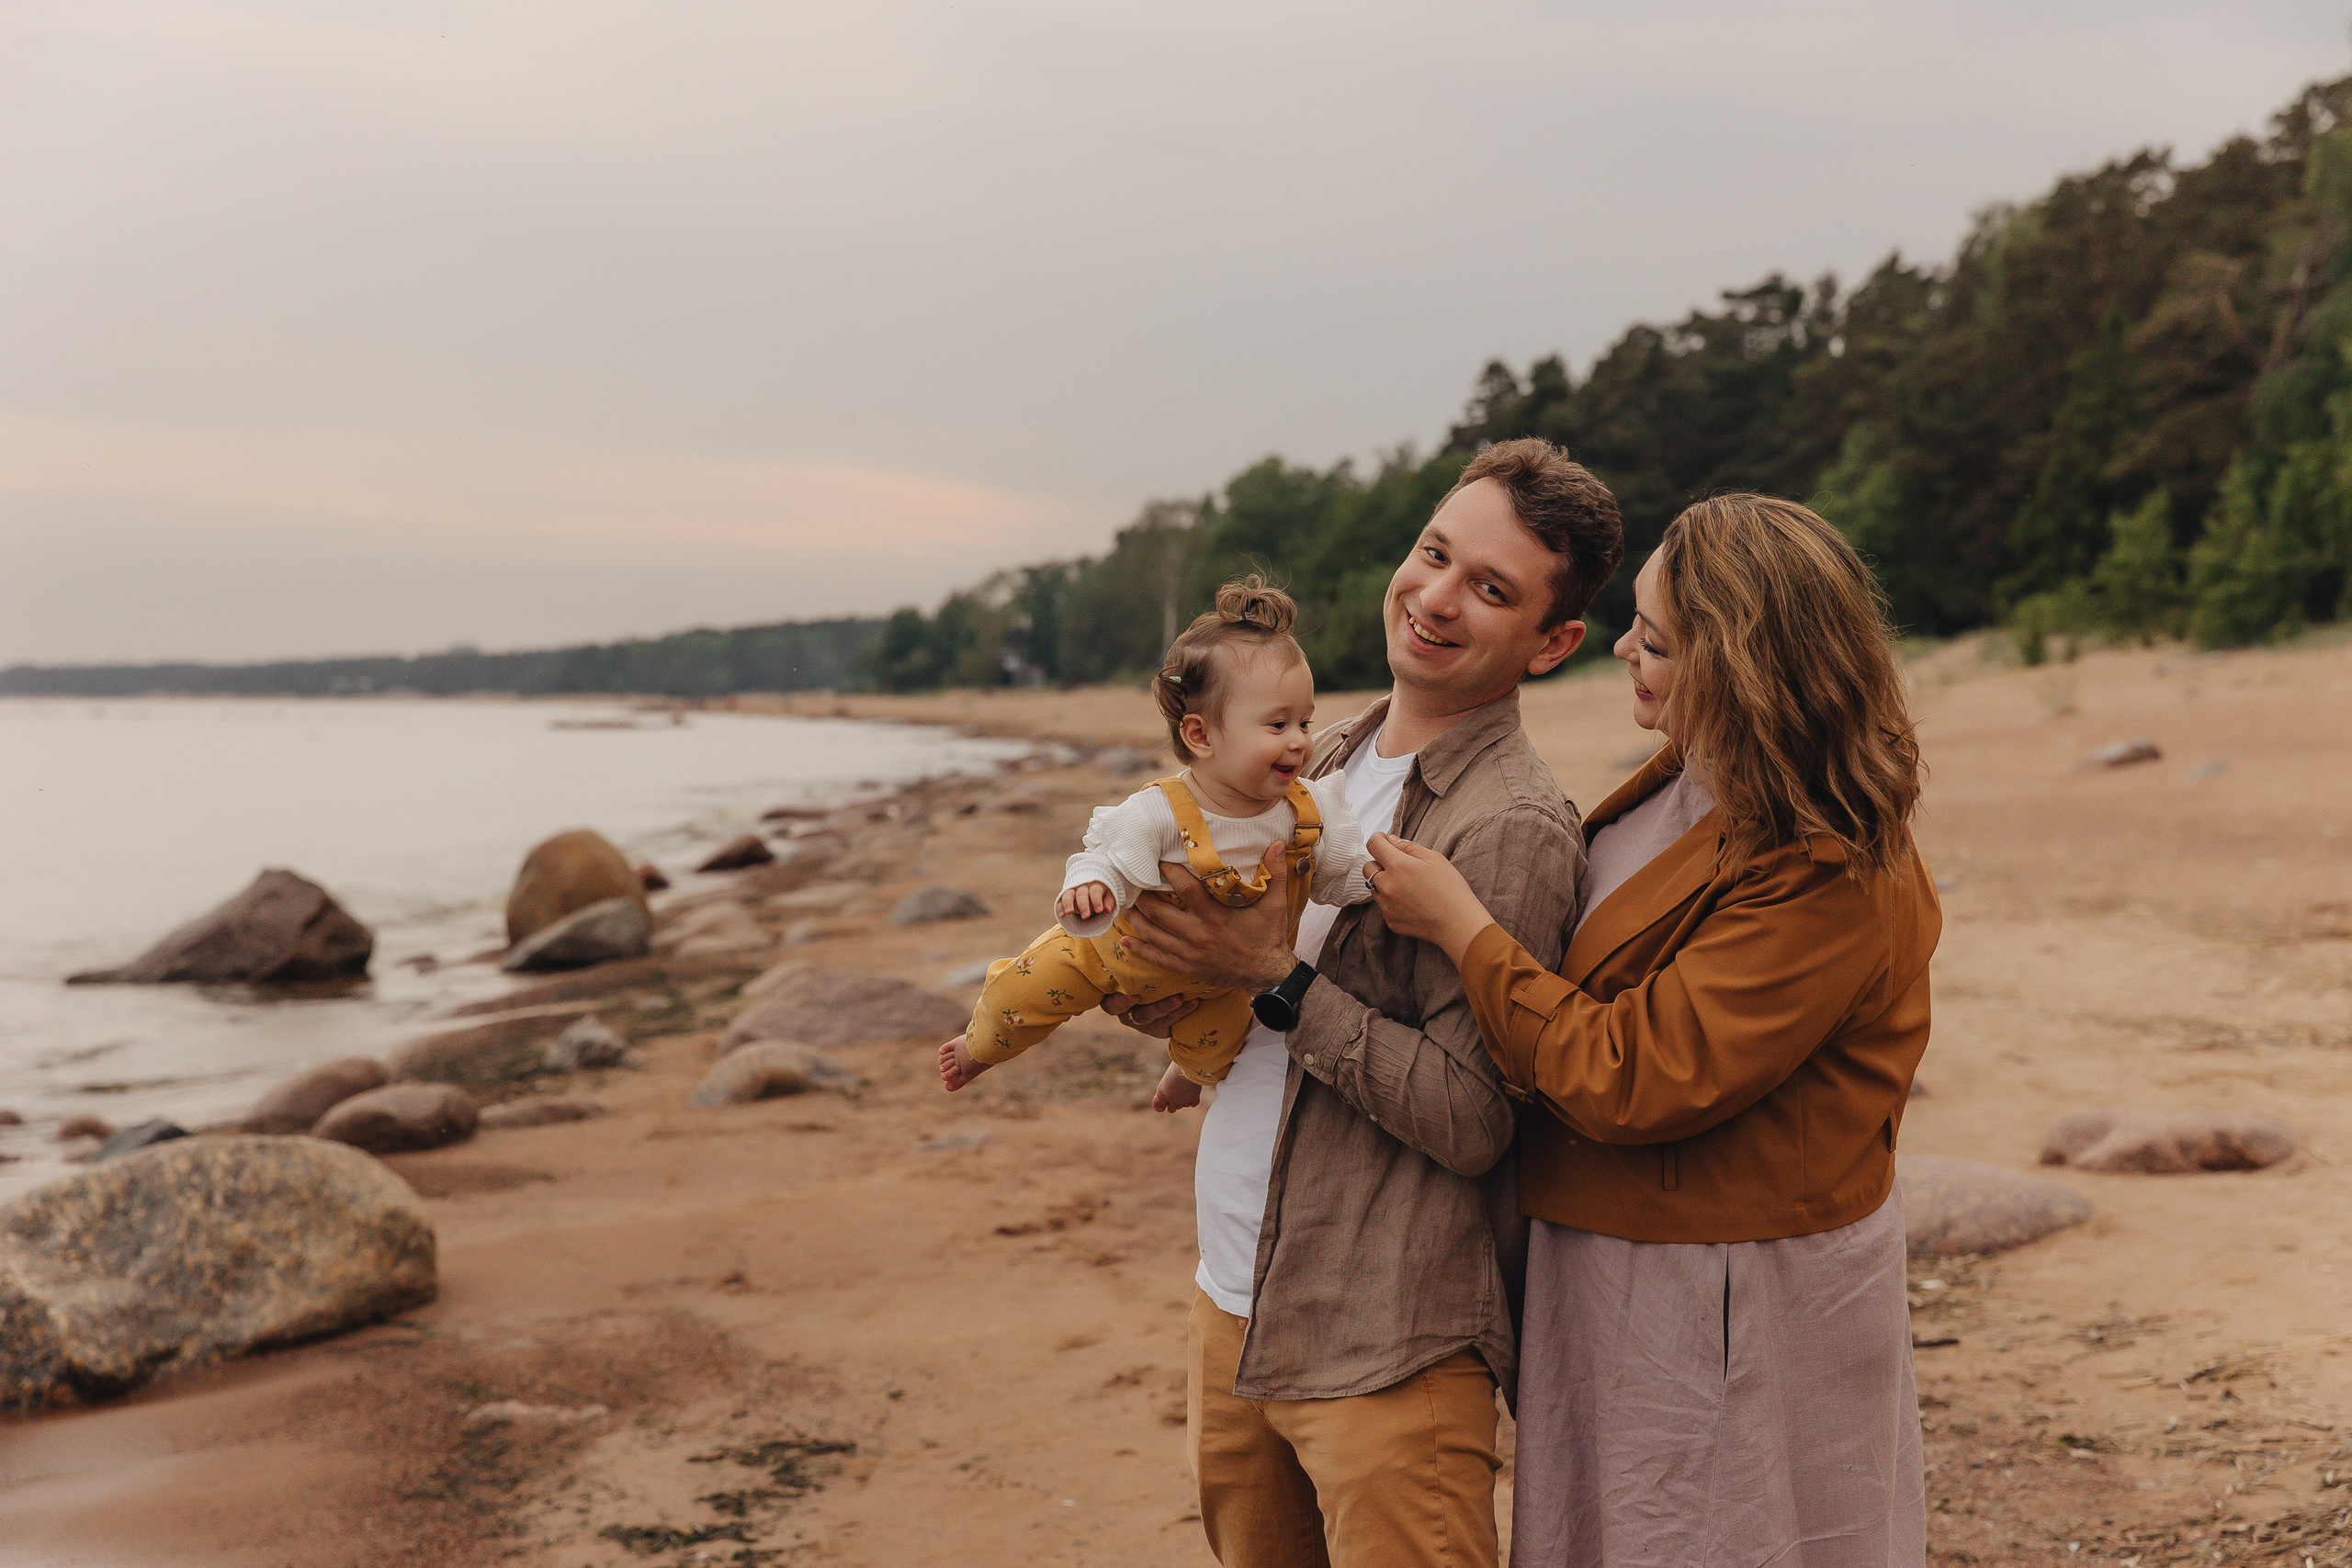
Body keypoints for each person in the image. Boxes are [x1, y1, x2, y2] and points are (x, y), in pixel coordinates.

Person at [1363, 492, 1939, 1566]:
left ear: (1741, 670)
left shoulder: (1826, 862)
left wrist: (1463, 930)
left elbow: (1638, 1074)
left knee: (1722, 1535)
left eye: (1657, 641)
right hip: (1626, 1264)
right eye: (1636, 623)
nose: (1624, 649)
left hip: (1727, 1291)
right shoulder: (1695, 775)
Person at [1108, 437, 1623, 1568]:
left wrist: (1274, 980)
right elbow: (1242, 985)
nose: (1435, 598)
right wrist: (1173, 995)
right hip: (1233, 1295)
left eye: (1490, 589)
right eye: (1433, 554)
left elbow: (1473, 1118)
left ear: (1552, 644)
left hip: (1386, 1337)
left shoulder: (1511, 826)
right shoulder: (1319, 756)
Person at [938, 578, 1374, 1111]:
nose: (1301, 740)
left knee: (1221, 1044)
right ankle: (980, 1047)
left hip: (1216, 983)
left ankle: (1187, 1073)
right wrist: (1091, 886)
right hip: (1106, 954)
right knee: (1020, 994)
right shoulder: (1161, 811)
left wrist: (1374, 879)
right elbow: (1105, 857)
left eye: (1305, 721)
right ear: (1201, 736)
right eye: (1278, 724)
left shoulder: (1307, 812)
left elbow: (1339, 873)